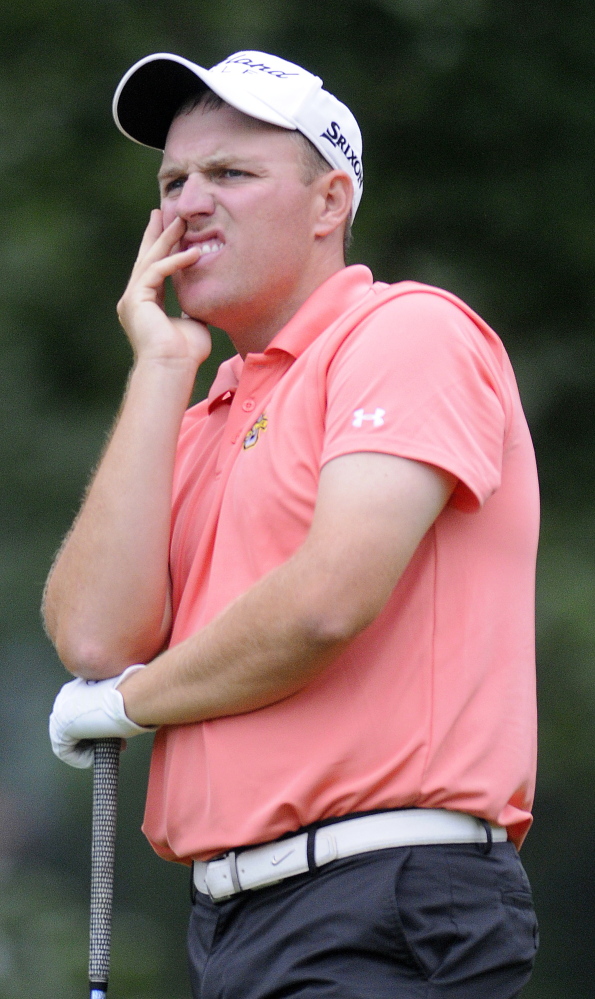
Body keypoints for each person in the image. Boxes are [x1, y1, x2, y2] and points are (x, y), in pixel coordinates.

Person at [46, 50, 539, 999]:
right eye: (173, 181)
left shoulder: (406, 333)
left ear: (328, 203)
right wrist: (160, 367)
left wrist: (132, 704)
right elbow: (95, 638)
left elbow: (325, 601)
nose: (190, 202)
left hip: (387, 900)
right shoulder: (204, 415)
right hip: (238, 923)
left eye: (231, 173)